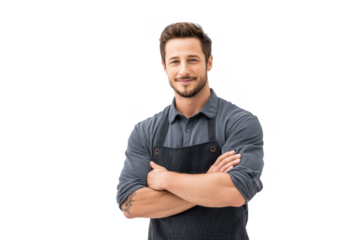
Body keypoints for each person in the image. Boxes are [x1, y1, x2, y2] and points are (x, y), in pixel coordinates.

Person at [115, 21, 265, 240]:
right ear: (164, 67)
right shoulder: (144, 130)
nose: (183, 70)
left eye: (192, 60)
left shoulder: (240, 122)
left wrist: (165, 180)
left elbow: (236, 192)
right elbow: (130, 206)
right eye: (175, 61)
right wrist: (210, 182)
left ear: (209, 62)